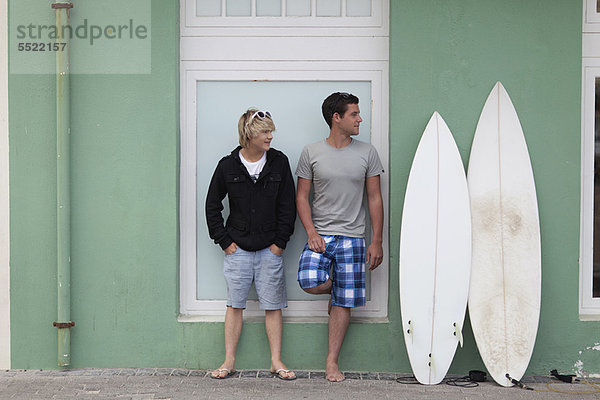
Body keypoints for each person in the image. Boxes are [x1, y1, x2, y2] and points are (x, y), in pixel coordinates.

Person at [295, 92, 384, 382]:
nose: (360, 119)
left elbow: (374, 198)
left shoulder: (367, 153)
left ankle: (331, 362)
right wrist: (311, 232)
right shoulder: (311, 152)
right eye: (354, 114)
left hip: (353, 237)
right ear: (337, 118)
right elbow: (302, 197)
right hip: (320, 235)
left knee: (344, 303)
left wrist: (376, 241)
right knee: (309, 281)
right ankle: (340, 289)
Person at [205, 109, 297, 380]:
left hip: (270, 248)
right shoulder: (227, 166)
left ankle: (276, 362)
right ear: (249, 134)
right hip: (238, 249)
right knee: (235, 305)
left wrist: (280, 242)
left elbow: (287, 206)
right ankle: (229, 361)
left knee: (273, 305)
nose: (270, 136)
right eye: (265, 131)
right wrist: (224, 241)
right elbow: (212, 206)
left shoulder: (279, 162)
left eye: (271, 131)